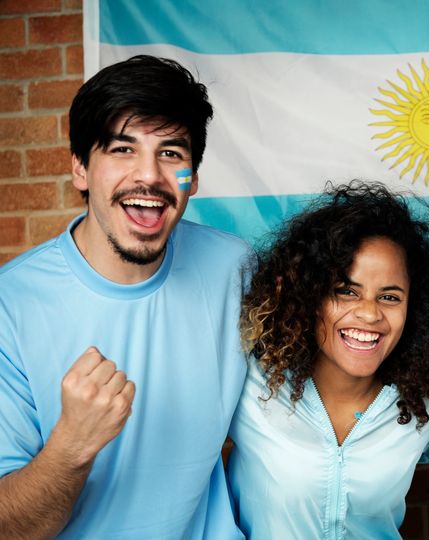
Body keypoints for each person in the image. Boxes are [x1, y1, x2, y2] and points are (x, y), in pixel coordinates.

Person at [0, 55, 248, 538]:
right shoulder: (10, 305)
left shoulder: (237, 271)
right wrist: (72, 446)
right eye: (122, 149)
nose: (149, 176)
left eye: (172, 153)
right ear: (80, 169)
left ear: (193, 178)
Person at [228, 181, 429, 538]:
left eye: (389, 297)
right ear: (309, 295)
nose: (369, 314)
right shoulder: (252, 384)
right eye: (346, 292)